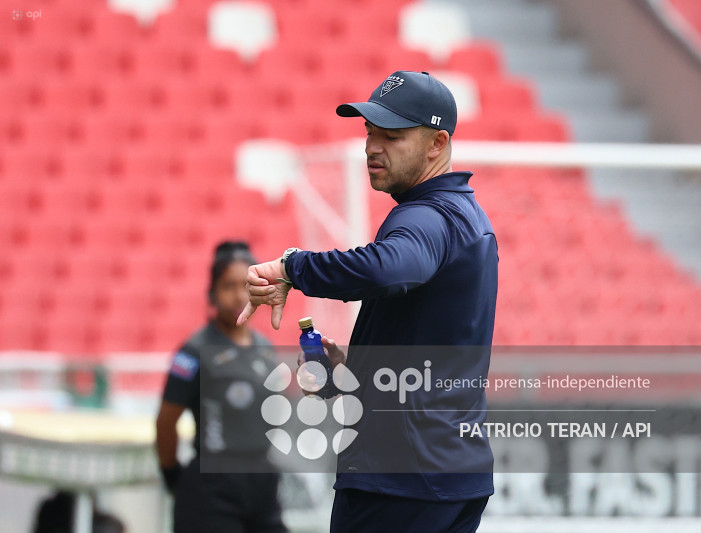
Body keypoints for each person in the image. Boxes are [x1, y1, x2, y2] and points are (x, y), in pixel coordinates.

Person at [238, 71, 498, 533]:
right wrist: (355, 370)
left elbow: (389, 268)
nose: (372, 147)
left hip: (402, 480)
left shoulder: (425, 216)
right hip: (452, 472)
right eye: (369, 133)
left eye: (392, 137)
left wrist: (292, 267)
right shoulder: (464, 213)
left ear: (437, 143)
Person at [156, 241, 287, 533]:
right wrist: (172, 477)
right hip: (211, 488)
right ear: (212, 293)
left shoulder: (265, 349)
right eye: (229, 285)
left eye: (247, 284)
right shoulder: (192, 352)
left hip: (262, 483)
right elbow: (166, 422)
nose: (239, 294)